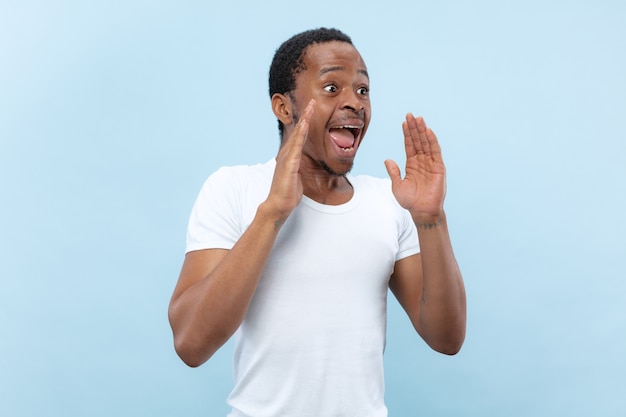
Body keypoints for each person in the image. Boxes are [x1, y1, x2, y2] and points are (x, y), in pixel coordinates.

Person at [168, 27, 466, 417]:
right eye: (331, 88)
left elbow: (446, 337)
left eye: (362, 90)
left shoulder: (389, 203)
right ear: (283, 107)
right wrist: (272, 212)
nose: (354, 103)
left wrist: (431, 220)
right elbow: (191, 343)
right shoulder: (233, 188)